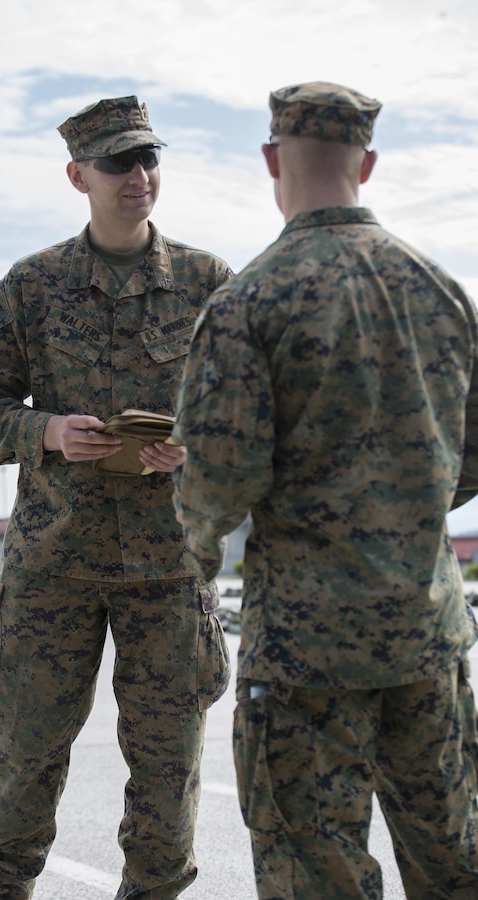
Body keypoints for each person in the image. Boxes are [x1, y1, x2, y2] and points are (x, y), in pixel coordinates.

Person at [172, 81, 478, 898]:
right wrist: (399, 512)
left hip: (307, 653)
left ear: (272, 159)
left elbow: (218, 476)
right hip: (426, 633)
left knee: (318, 873)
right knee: (456, 863)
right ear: (367, 164)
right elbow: (470, 454)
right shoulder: (442, 291)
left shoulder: (248, 302)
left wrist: (197, 555)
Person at [0, 95, 232, 900]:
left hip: (169, 571)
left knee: (168, 775)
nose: (138, 176)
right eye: (119, 162)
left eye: (149, 158)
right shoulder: (30, 288)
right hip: (54, 567)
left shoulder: (211, 283)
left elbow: (250, 412)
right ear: (79, 174)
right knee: (23, 759)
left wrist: (195, 447)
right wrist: (47, 433)